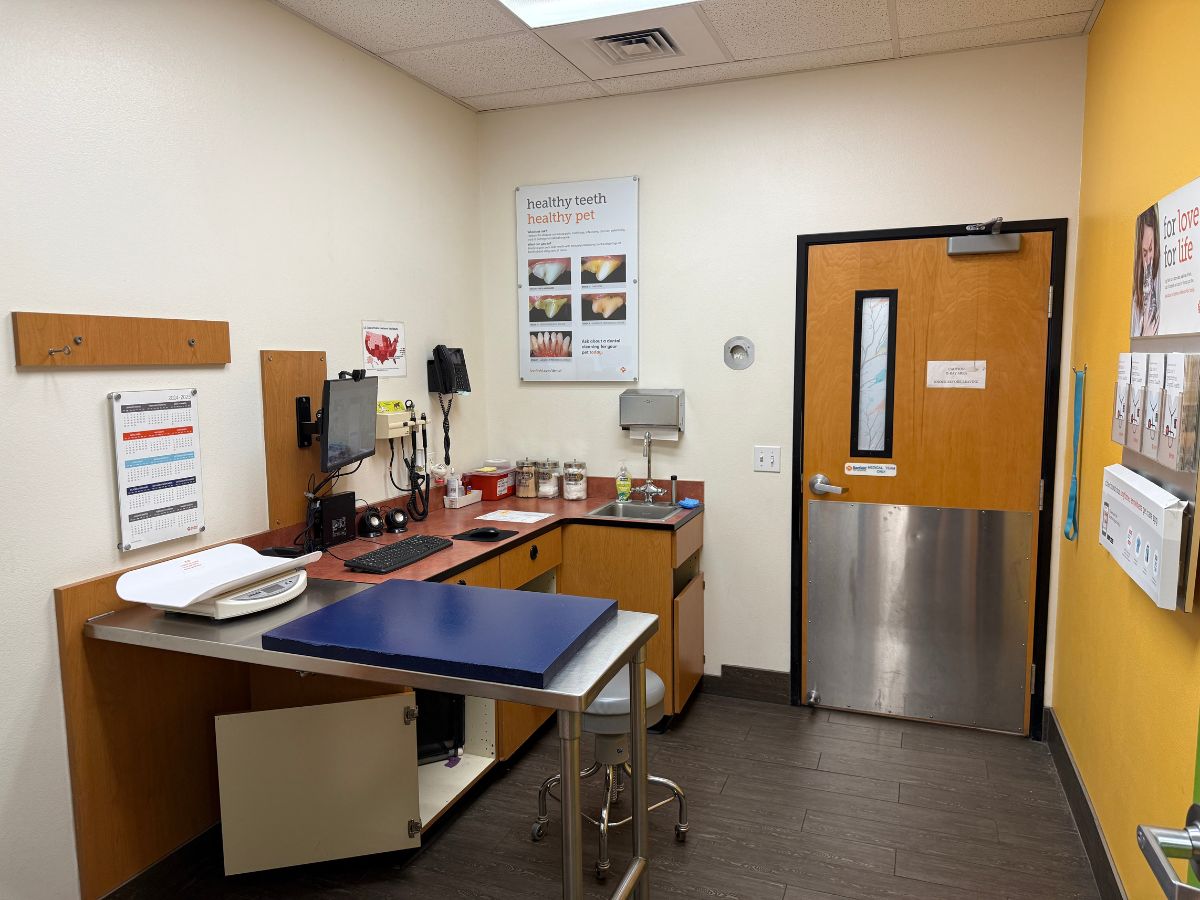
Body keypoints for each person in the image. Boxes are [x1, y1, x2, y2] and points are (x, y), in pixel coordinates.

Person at [1132, 205, 1160, 336]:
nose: (1149, 258)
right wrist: (1145, 334)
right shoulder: (1136, 298)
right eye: (1144, 253)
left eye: (1151, 248)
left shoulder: (1160, 281)